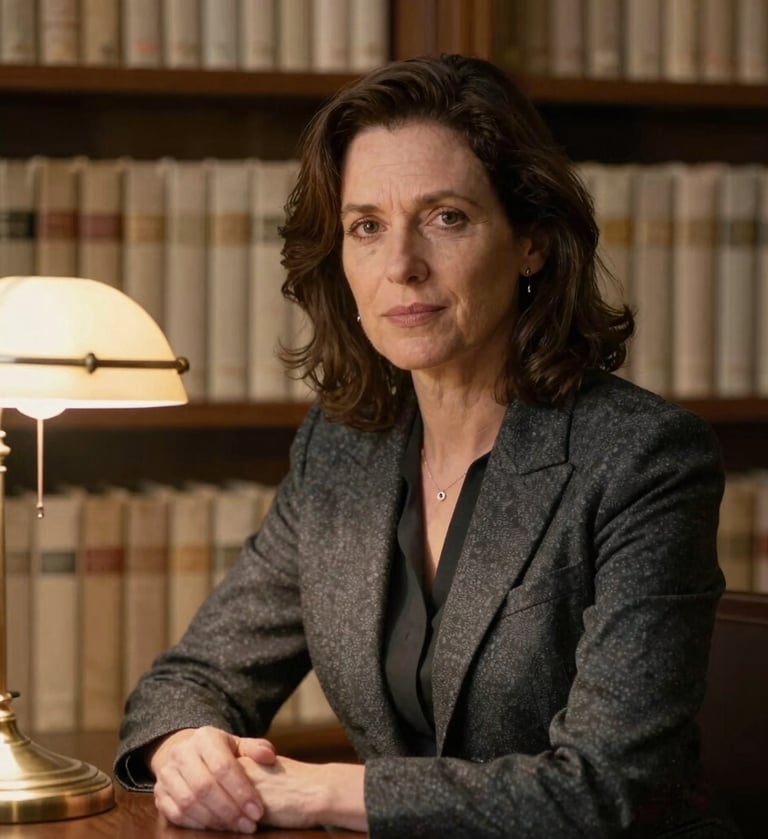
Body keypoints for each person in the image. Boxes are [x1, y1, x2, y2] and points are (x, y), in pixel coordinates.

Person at [115, 54, 738, 838]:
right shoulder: (342, 450)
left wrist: (324, 792)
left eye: (447, 217)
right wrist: (189, 750)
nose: (401, 267)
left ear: (532, 241)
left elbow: (605, 789)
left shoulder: (643, 459)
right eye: (367, 226)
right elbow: (191, 678)